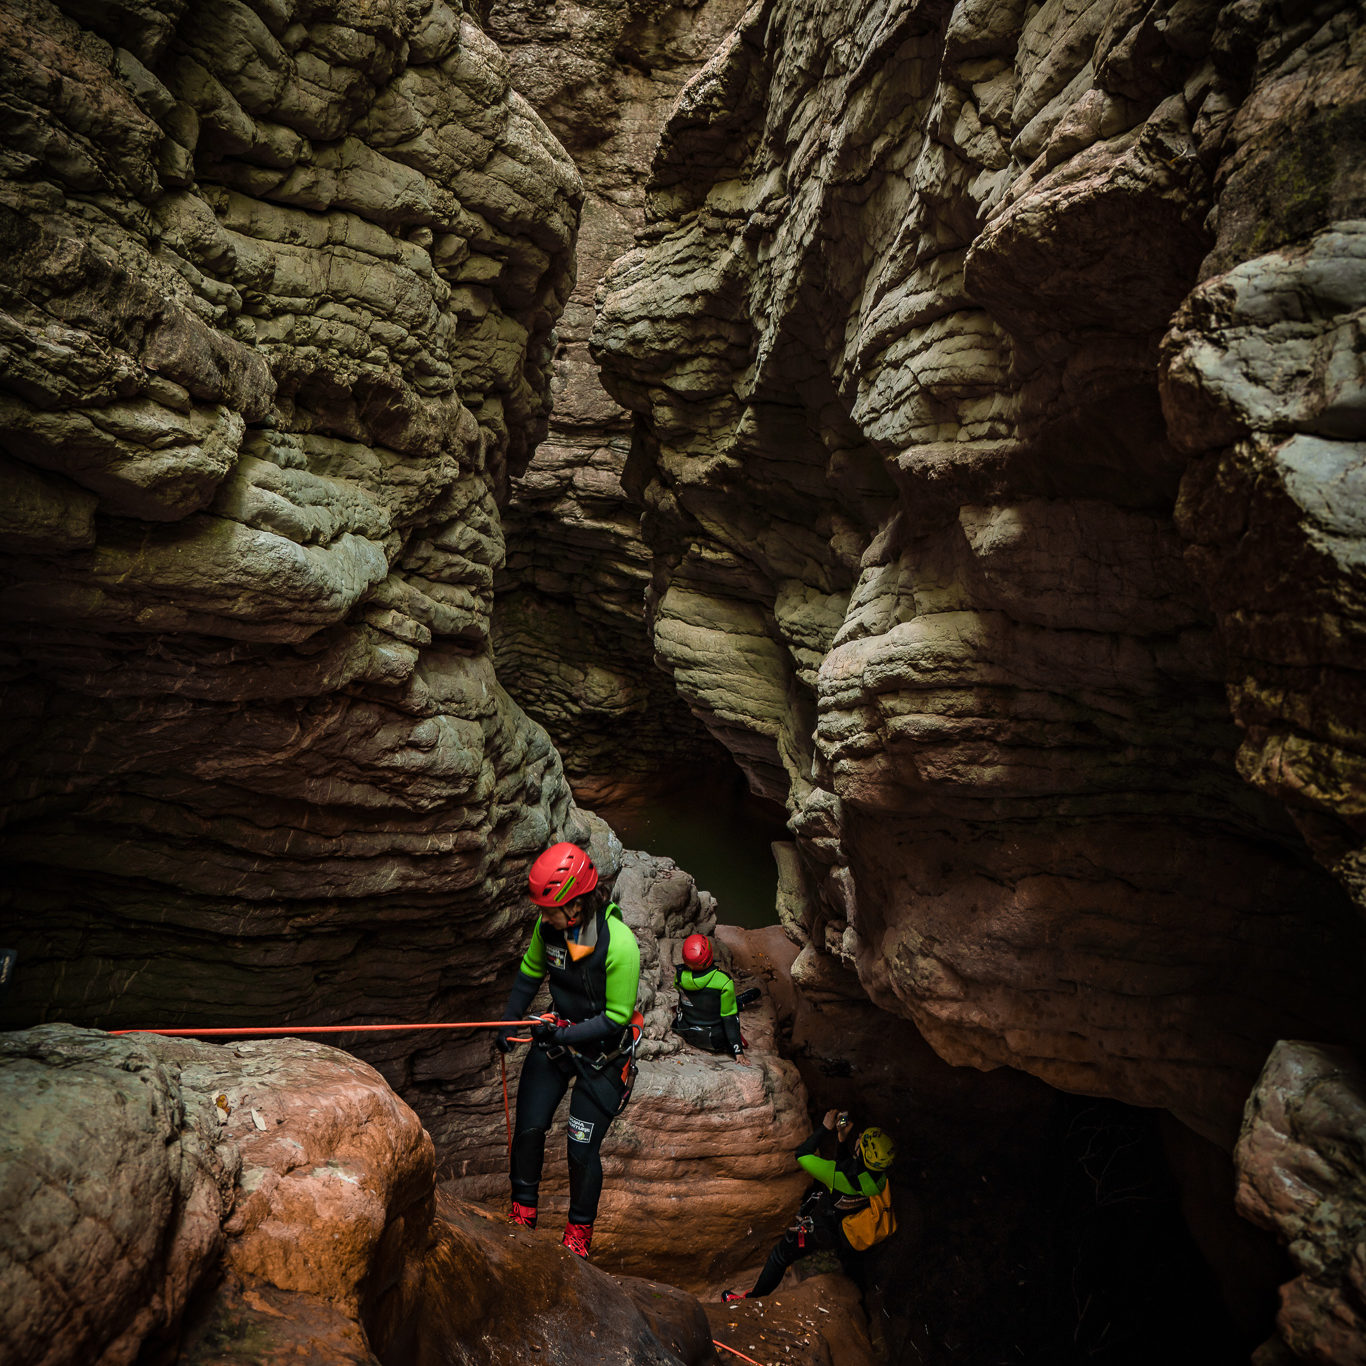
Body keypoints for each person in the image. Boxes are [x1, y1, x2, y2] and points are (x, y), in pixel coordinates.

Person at [494, 841, 642, 1259]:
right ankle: (523, 1209)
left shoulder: (620, 945)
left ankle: (578, 1233)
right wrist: (510, 1021)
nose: (542, 918)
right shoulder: (549, 931)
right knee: (529, 1127)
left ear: (574, 907)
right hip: (558, 1039)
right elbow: (528, 974)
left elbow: (615, 1018)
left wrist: (558, 1035)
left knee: (580, 1150)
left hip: (604, 1057)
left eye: (548, 909)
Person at [723, 1108, 895, 1300]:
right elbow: (852, 1169)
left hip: (822, 1231)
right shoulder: (879, 1179)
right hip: (844, 1228)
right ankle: (859, 1291)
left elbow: (802, 1154)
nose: (860, 1135)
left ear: (860, 1152)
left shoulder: (834, 1175)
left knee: (780, 1255)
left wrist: (825, 1127)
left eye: (862, 1139)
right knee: (849, 1260)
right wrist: (841, 1139)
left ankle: (752, 1299)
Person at [672, 933, 756, 1061]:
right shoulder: (723, 981)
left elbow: (687, 995)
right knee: (733, 1007)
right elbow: (729, 1018)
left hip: (686, 1030)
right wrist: (737, 1051)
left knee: (707, 999)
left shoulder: (679, 975)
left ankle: (738, 1002)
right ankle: (739, 1002)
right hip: (713, 1039)